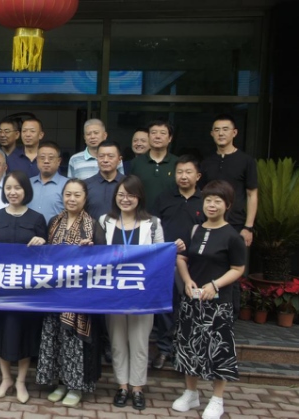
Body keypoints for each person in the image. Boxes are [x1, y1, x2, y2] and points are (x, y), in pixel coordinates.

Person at [171, 180, 245, 419]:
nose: (212, 205)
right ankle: (191, 393)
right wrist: (187, 280)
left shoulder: (232, 236)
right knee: (189, 346)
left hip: (219, 303)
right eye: (208, 200)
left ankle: (217, 399)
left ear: (228, 205)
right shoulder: (195, 230)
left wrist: (215, 285)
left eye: (217, 201)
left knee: (219, 350)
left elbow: (238, 268)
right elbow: (182, 258)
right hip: (193, 301)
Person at [37, 179, 105, 407]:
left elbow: (105, 260)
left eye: (77, 195)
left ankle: (76, 386)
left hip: (80, 296)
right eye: (68, 194)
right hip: (55, 294)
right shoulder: (54, 222)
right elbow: (46, 256)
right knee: (56, 337)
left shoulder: (93, 225)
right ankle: (61, 383)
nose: (72, 199)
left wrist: (91, 251)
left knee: (75, 341)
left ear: (85, 198)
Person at [100, 175, 166, 411]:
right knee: (117, 342)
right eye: (121, 195)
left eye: (130, 195)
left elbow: (162, 257)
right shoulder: (105, 221)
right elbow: (97, 255)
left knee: (139, 342)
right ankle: (122, 386)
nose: (125, 199)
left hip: (142, 295)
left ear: (139, 197)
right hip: (113, 294)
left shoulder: (153, 223)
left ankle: (137, 388)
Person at [0, 171, 46, 404]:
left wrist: (43, 241)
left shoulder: (37, 218)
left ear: (26, 190)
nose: (12, 192)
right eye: (8, 187)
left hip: (27, 289)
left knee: (24, 332)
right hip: (0, 287)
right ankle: (6, 378)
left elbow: (46, 256)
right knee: (1, 331)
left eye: (17, 188)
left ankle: (20, 381)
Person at [150, 155, 206, 370]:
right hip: (167, 262)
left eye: (188, 172)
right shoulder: (164, 198)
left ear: (198, 176)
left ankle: (186, 352)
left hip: (197, 264)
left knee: (192, 308)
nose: (183, 176)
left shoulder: (205, 201)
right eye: (180, 172)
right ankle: (164, 350)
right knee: (167, 307)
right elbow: (153, 228)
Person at [199, 114, 258, 315]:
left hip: (236, 224)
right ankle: (208, 313)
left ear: (234, 132)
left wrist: (248, 226)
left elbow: (252, 194)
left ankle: (231, 316)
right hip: (210, 224)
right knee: (210, 267)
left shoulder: (246, 161)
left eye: (225, 129)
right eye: (217, 130)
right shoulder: (207, 162)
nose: (221, 133)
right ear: (211, 134)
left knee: (234, 270)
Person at [129, 119, 178, 213]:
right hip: (141, 216)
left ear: (170, 138)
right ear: (148, 136)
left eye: (163, 133)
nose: (157, 136)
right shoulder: (136, 163)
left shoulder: (178, 163)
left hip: (170, 216)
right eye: (153, 132)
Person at [28, 141, 68, 224]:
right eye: (42, 157)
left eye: (51, 158)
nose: (46, 161)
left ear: (59, 161)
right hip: (29, 231)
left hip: (56, 231)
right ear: (37, 160)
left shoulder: (67, 185)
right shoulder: (28, 183)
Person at [85, 140, 125, 219]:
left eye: (110, 156)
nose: (105, 160)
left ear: (119, 160)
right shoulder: (86, 185)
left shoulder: (128, 184)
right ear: (97, 158)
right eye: (101, 156)